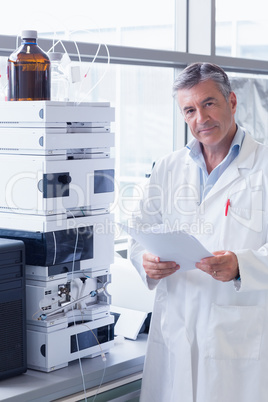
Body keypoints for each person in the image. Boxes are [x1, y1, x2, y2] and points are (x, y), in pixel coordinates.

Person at [129, 62, 268, 402]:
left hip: (240, 334)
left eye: (209, 103)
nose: (200, 119)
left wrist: (242, 265)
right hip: (175, 325)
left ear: (231, 102)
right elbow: (139, 232)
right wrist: (145, 260)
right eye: (189, 110)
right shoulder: (167, 167)